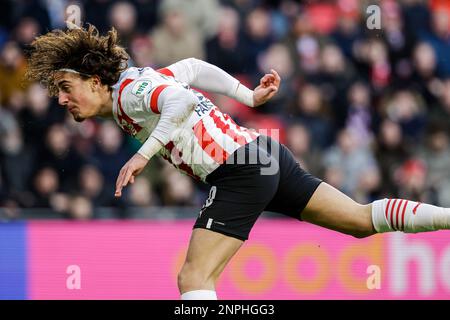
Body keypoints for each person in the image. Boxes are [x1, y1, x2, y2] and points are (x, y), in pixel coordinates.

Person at [26, 25, 450, 300]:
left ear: (95, 81)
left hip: (239, 170)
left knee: (193, 280)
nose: (62, 100)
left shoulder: (127, 94)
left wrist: (141, 156)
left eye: (66, 88)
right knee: (359, 221)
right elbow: (190, 68)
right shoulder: (138, 80)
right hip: (264, 156)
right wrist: (246, 96)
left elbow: (182, 97)